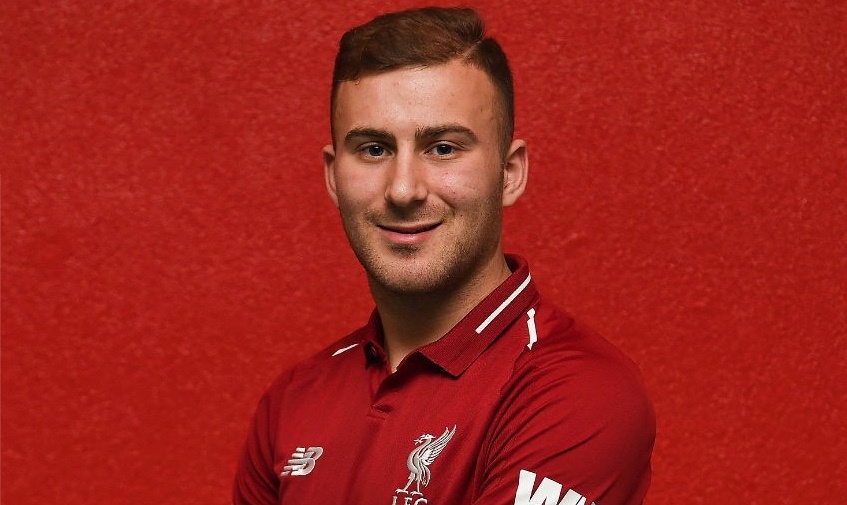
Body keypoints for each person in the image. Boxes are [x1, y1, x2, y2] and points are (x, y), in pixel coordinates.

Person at [233, 7, 655, 505]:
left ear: (510, 173)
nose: (404, 189)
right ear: (332, 176)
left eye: (443, 148)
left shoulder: (579, 392)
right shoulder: (293, 399)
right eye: (374, 149)